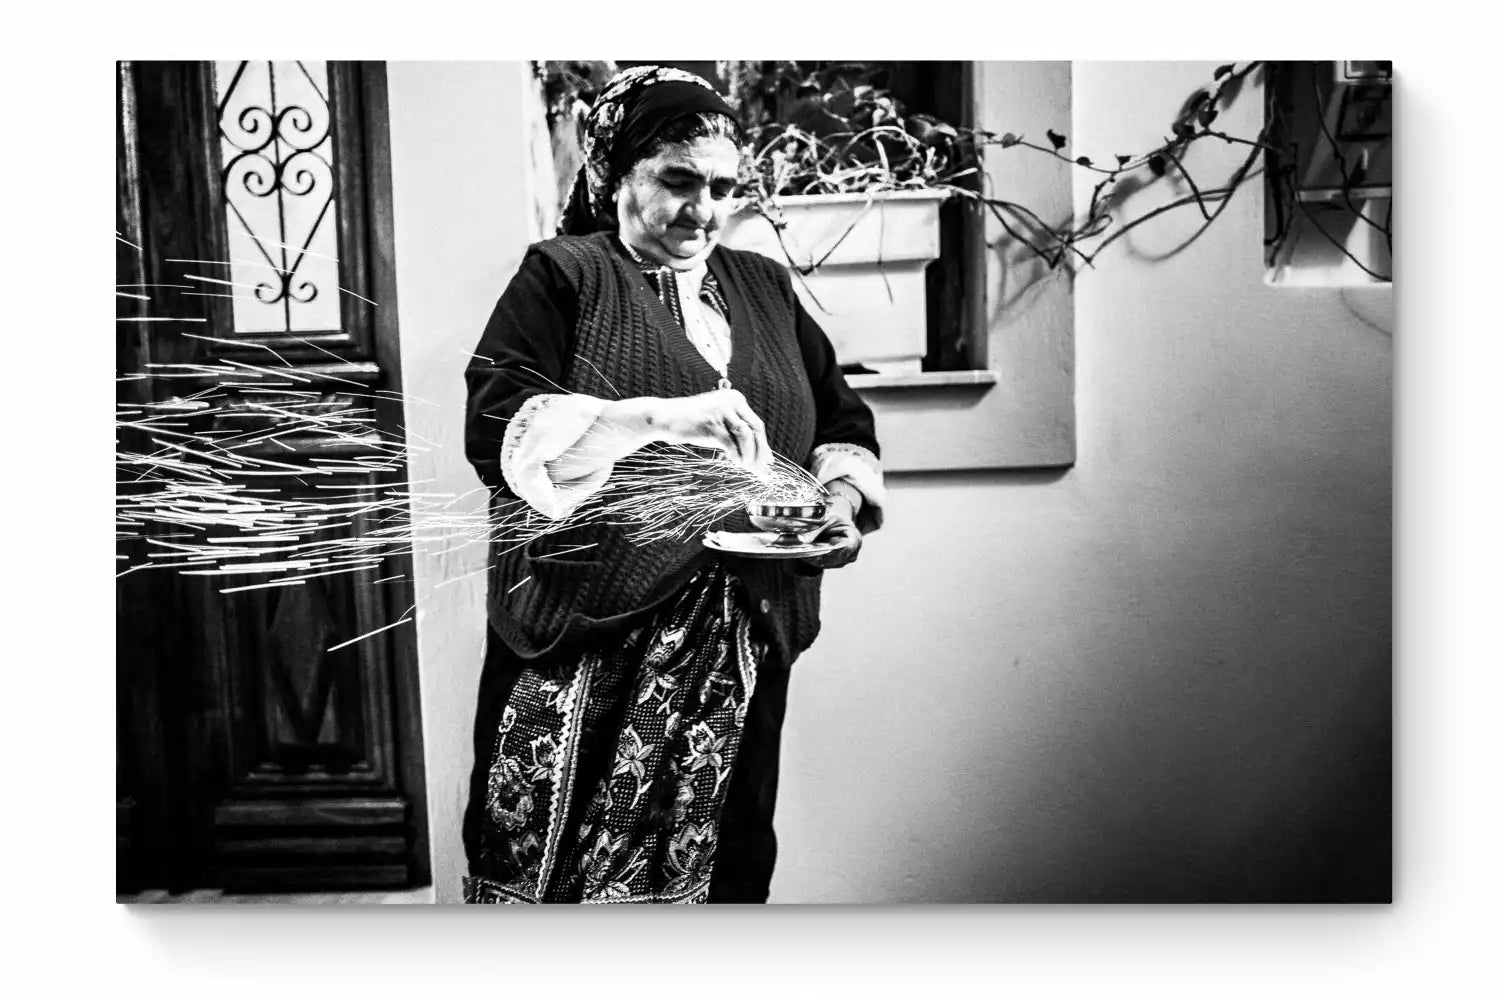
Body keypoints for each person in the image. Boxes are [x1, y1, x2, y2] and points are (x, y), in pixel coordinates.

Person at [461, 65, 884, 904]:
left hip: (744, 636)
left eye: (724, 187)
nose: (705, 210)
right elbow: (495, 425)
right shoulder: (563, 275)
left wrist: (838, 505)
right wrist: (658, 416)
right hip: (588, 634)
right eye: (679, 181)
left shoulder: (760, 285)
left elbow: (842, 419)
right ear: (617, 173)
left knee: (726, 871)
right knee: (556, 880)